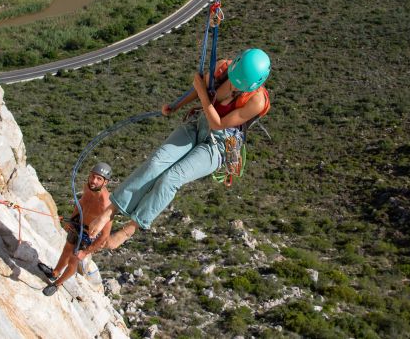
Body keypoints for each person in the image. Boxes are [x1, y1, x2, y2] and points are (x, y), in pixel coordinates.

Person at [89, 48, 271, 250]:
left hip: (219, 145)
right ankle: (110, 211)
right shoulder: (223, 68)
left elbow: (218, 122)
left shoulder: (256, 100)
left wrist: (202, 91)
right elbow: (202, 88)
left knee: (171, 179)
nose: (235, 86)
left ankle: (128, 230)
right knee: (156, 163)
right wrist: (177, 105)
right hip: (198, 124)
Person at [38, 162, 113, 296]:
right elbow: (81, 203)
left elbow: (105, 235)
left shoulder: (106, 204)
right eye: (92, 176)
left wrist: (86, 252)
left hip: (89, 234)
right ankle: (54, 273)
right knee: (67, 249)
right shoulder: (87, 187)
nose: (94, 181)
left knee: (74, 260)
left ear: (105, 182)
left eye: (99, 179)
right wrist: (72, 220)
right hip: (78, 224)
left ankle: (57, 284)